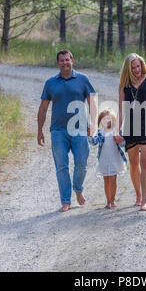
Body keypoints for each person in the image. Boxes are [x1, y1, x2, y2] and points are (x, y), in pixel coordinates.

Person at [37, 50, 97, 212]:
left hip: (80, 130)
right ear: (58, 64)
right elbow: (43, 108)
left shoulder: (83, 80)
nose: (65, 63)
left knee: (82, 165)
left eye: (67, 60)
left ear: (72, 61)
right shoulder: (51, 83)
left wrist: (92, 123)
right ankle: (65, 201)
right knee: (61, 166)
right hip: (58, 131)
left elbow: (92, 102)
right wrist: (40, 130)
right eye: (61, 61)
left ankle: (78, 189)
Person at [117, 53, 146, 211]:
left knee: (145, 164)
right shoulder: (124, 85)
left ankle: (145, 200)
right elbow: (121, 110)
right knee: (134, 163)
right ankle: (138, 195)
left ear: (142, 64)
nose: (137, 69)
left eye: (139, 66)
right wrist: (117, 130)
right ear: (128, 69)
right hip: (130, 127)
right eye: (133, 67)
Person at [88, 109, 127, 209]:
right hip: (104, 159)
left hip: (114, 159)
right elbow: (94, 142)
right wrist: (90, 135)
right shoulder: (100, 133)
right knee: (106, 180)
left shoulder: (116, 131)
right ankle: (108, 201)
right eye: (104, 119)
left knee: (113, 178)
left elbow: (123, 143)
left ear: (113, 120)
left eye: (109, 118)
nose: (107, 121)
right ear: (100, 121)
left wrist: (120, 139)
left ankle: (113, 200)